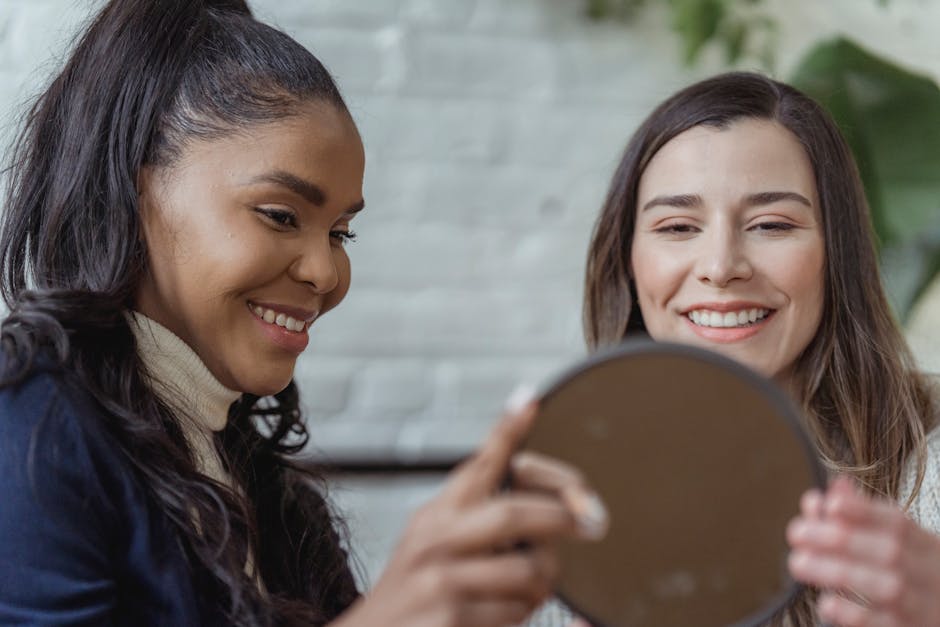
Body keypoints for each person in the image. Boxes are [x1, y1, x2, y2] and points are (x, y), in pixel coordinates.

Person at [0, 1, 608, 625]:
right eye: (282, 216)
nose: (326, 273)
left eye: (341, 233)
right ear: (136, 192)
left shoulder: (265, 487)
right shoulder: (29, 419)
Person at [582, 71, 940, 625]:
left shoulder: (930, 467)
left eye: (771, 224)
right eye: (678, 227)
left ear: (835, 254)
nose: (722, 267)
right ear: (628, 261)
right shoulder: (569, 492)